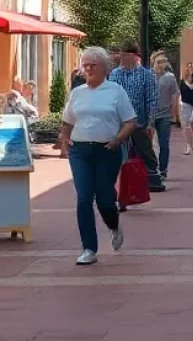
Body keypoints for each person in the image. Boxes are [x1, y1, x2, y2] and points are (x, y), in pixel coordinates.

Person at [59, 45, 136, 266]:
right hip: (80, 151)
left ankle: (114, 225)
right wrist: (65, 139)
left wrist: (118, 140)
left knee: (104, 198)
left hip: (107, 151)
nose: (88, 69)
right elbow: (67, 122)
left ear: (105, 68)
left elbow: (130, 121)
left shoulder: (115, 91)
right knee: (84, 198)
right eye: (85, 65)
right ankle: (89, 248)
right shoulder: (77, 92)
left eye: (93, 65)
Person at [109, 40, 165, 193]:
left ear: (134, 56)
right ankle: (122, 186)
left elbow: (152, 100)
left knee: (145, 151)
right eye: (122, 55)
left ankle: (154, 179)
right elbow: (111, 98)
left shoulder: (146, 74)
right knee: (120, 155)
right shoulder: (115, 74)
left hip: (139, 122)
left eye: (126, 55)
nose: (123, 59)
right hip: (119, 123)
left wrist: (150, 123)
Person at [153, 54, 180, 179]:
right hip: (150, 115)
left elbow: (175, 95)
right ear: (153, 62)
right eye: (159, 61)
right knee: (149, 145)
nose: (162, 64)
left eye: (164, 61)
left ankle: (163, 169)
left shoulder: (170, 77)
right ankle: (152, 168)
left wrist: (174, 115)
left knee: (164, 144)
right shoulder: (149, 76)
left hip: (165, 115)